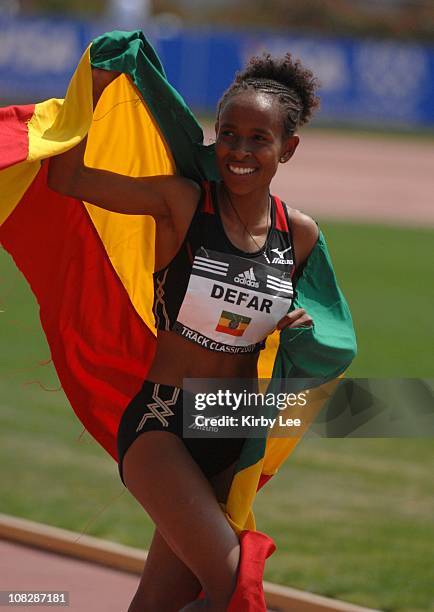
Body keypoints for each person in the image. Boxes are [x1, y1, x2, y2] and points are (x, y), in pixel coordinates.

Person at [47, 52, 322, 611]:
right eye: (229, 135)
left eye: (258, 139)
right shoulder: (182, 203)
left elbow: (306, 327)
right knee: (233, 588)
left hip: (230, 424)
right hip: (162, 423)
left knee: (160, 603)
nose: (240, 151)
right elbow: (67, 177)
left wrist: (297, 322)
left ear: (286, 149)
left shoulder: (300, 234)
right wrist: (90, 93)